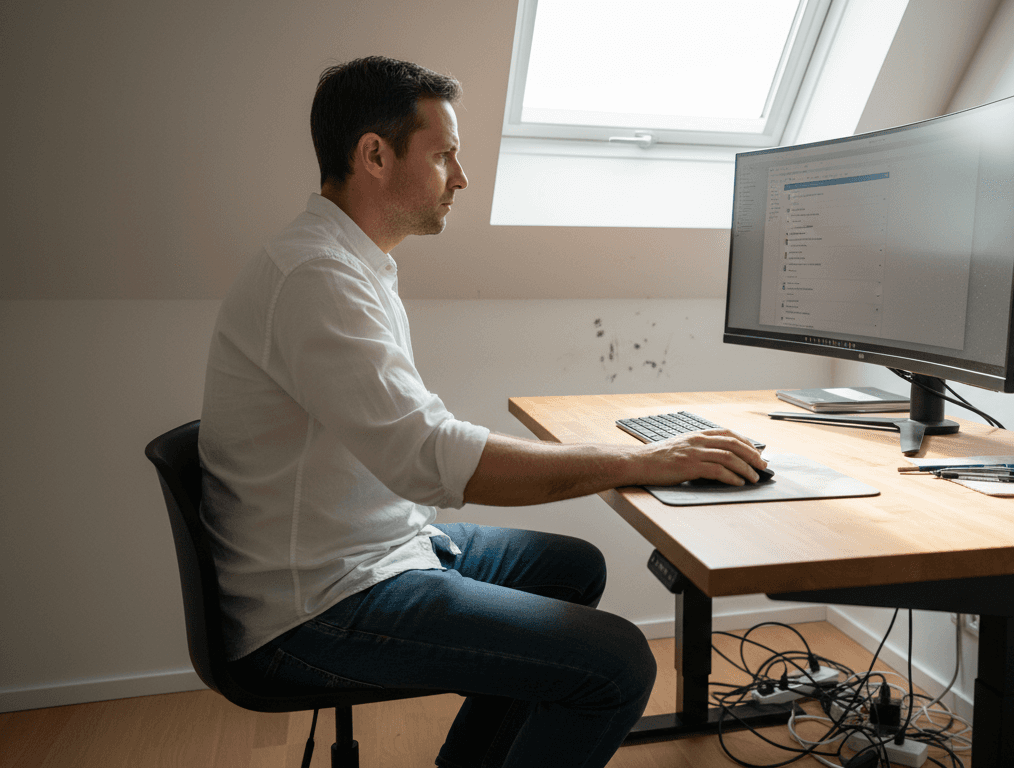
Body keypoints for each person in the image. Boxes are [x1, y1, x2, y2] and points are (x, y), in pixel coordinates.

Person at [198, 56, 768, 768]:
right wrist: (640, 460)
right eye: (443, 156)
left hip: (372, 550)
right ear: (374, 155)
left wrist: (639, 460)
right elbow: (430, 458)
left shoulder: (349, 261)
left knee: (571, 569)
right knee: (619, 663)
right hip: (318, 608)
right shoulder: (317, 277)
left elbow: (417, 447)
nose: (461, 179)